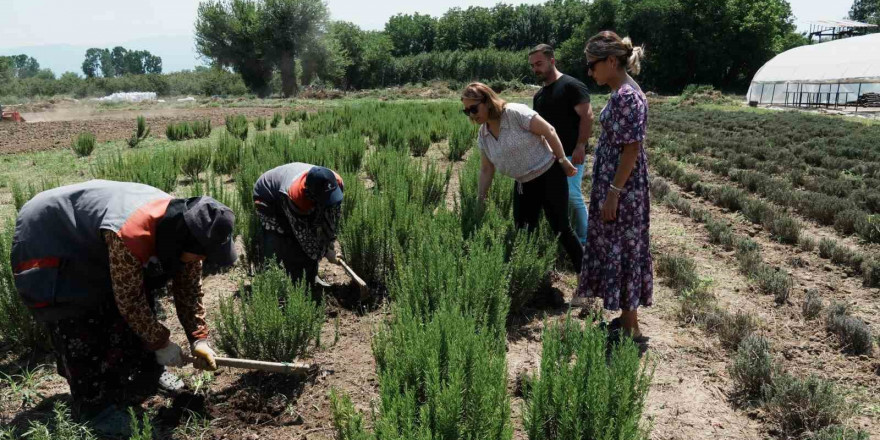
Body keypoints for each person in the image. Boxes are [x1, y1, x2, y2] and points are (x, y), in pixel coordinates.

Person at [11, 180, 237, 437]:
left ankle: (146, 376)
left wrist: (199, 339)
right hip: (52, 235)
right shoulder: (134, 233)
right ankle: (95, 408)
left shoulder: (189, 234)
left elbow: (188, 291)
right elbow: (129, 300)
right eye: (200, 255)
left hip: (99, 240)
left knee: (132, 302)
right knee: (79, 318)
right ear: (182, 243)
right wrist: (161, 342)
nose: (202, 261)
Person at [573, 31, 652, 341]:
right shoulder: (622, 92)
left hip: (624, 190)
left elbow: (631, 149)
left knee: (625, 250)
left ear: (610, 61)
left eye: (592, 65)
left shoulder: (627, 96)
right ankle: (627, 319)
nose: (590, 72)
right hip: (618, 186)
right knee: (620, 248)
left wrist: (613, 194)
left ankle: (631, 328)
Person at [461, 82, 584, 276]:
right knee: (523, 233)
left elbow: (549, 131)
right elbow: (486, 169)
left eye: (474, 108)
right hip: (523, 184)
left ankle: (585, 279)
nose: (471, 114)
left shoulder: (515, 113)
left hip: (548, 174)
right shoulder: (483, 135)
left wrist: (563, 161)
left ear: (487, 101)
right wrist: (481, 198)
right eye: (466, 111)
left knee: (561, 228)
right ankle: (534, 276)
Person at [529, 43, 594, 246]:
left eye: (539, 63)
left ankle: (584, 240)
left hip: (571, 153)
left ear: (552, 61)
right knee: (552, 198)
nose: (535, 69)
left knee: (573, 195)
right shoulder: (539, 96)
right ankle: (562, 237)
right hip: (547, 157)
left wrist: (580, 146)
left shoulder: (571, 86)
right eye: (532, 65)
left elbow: (588, 116)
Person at [253, 163, 343, 286]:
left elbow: (333, 215)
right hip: (268, 198)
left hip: (293, 189)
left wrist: (329, 241)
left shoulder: (336, 182)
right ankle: (282, 282)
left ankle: (311, 278)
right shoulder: (295, 197)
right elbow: (305, 239)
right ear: (310, 195)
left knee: (312, 227)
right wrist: (325, 252)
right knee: (287, 239)